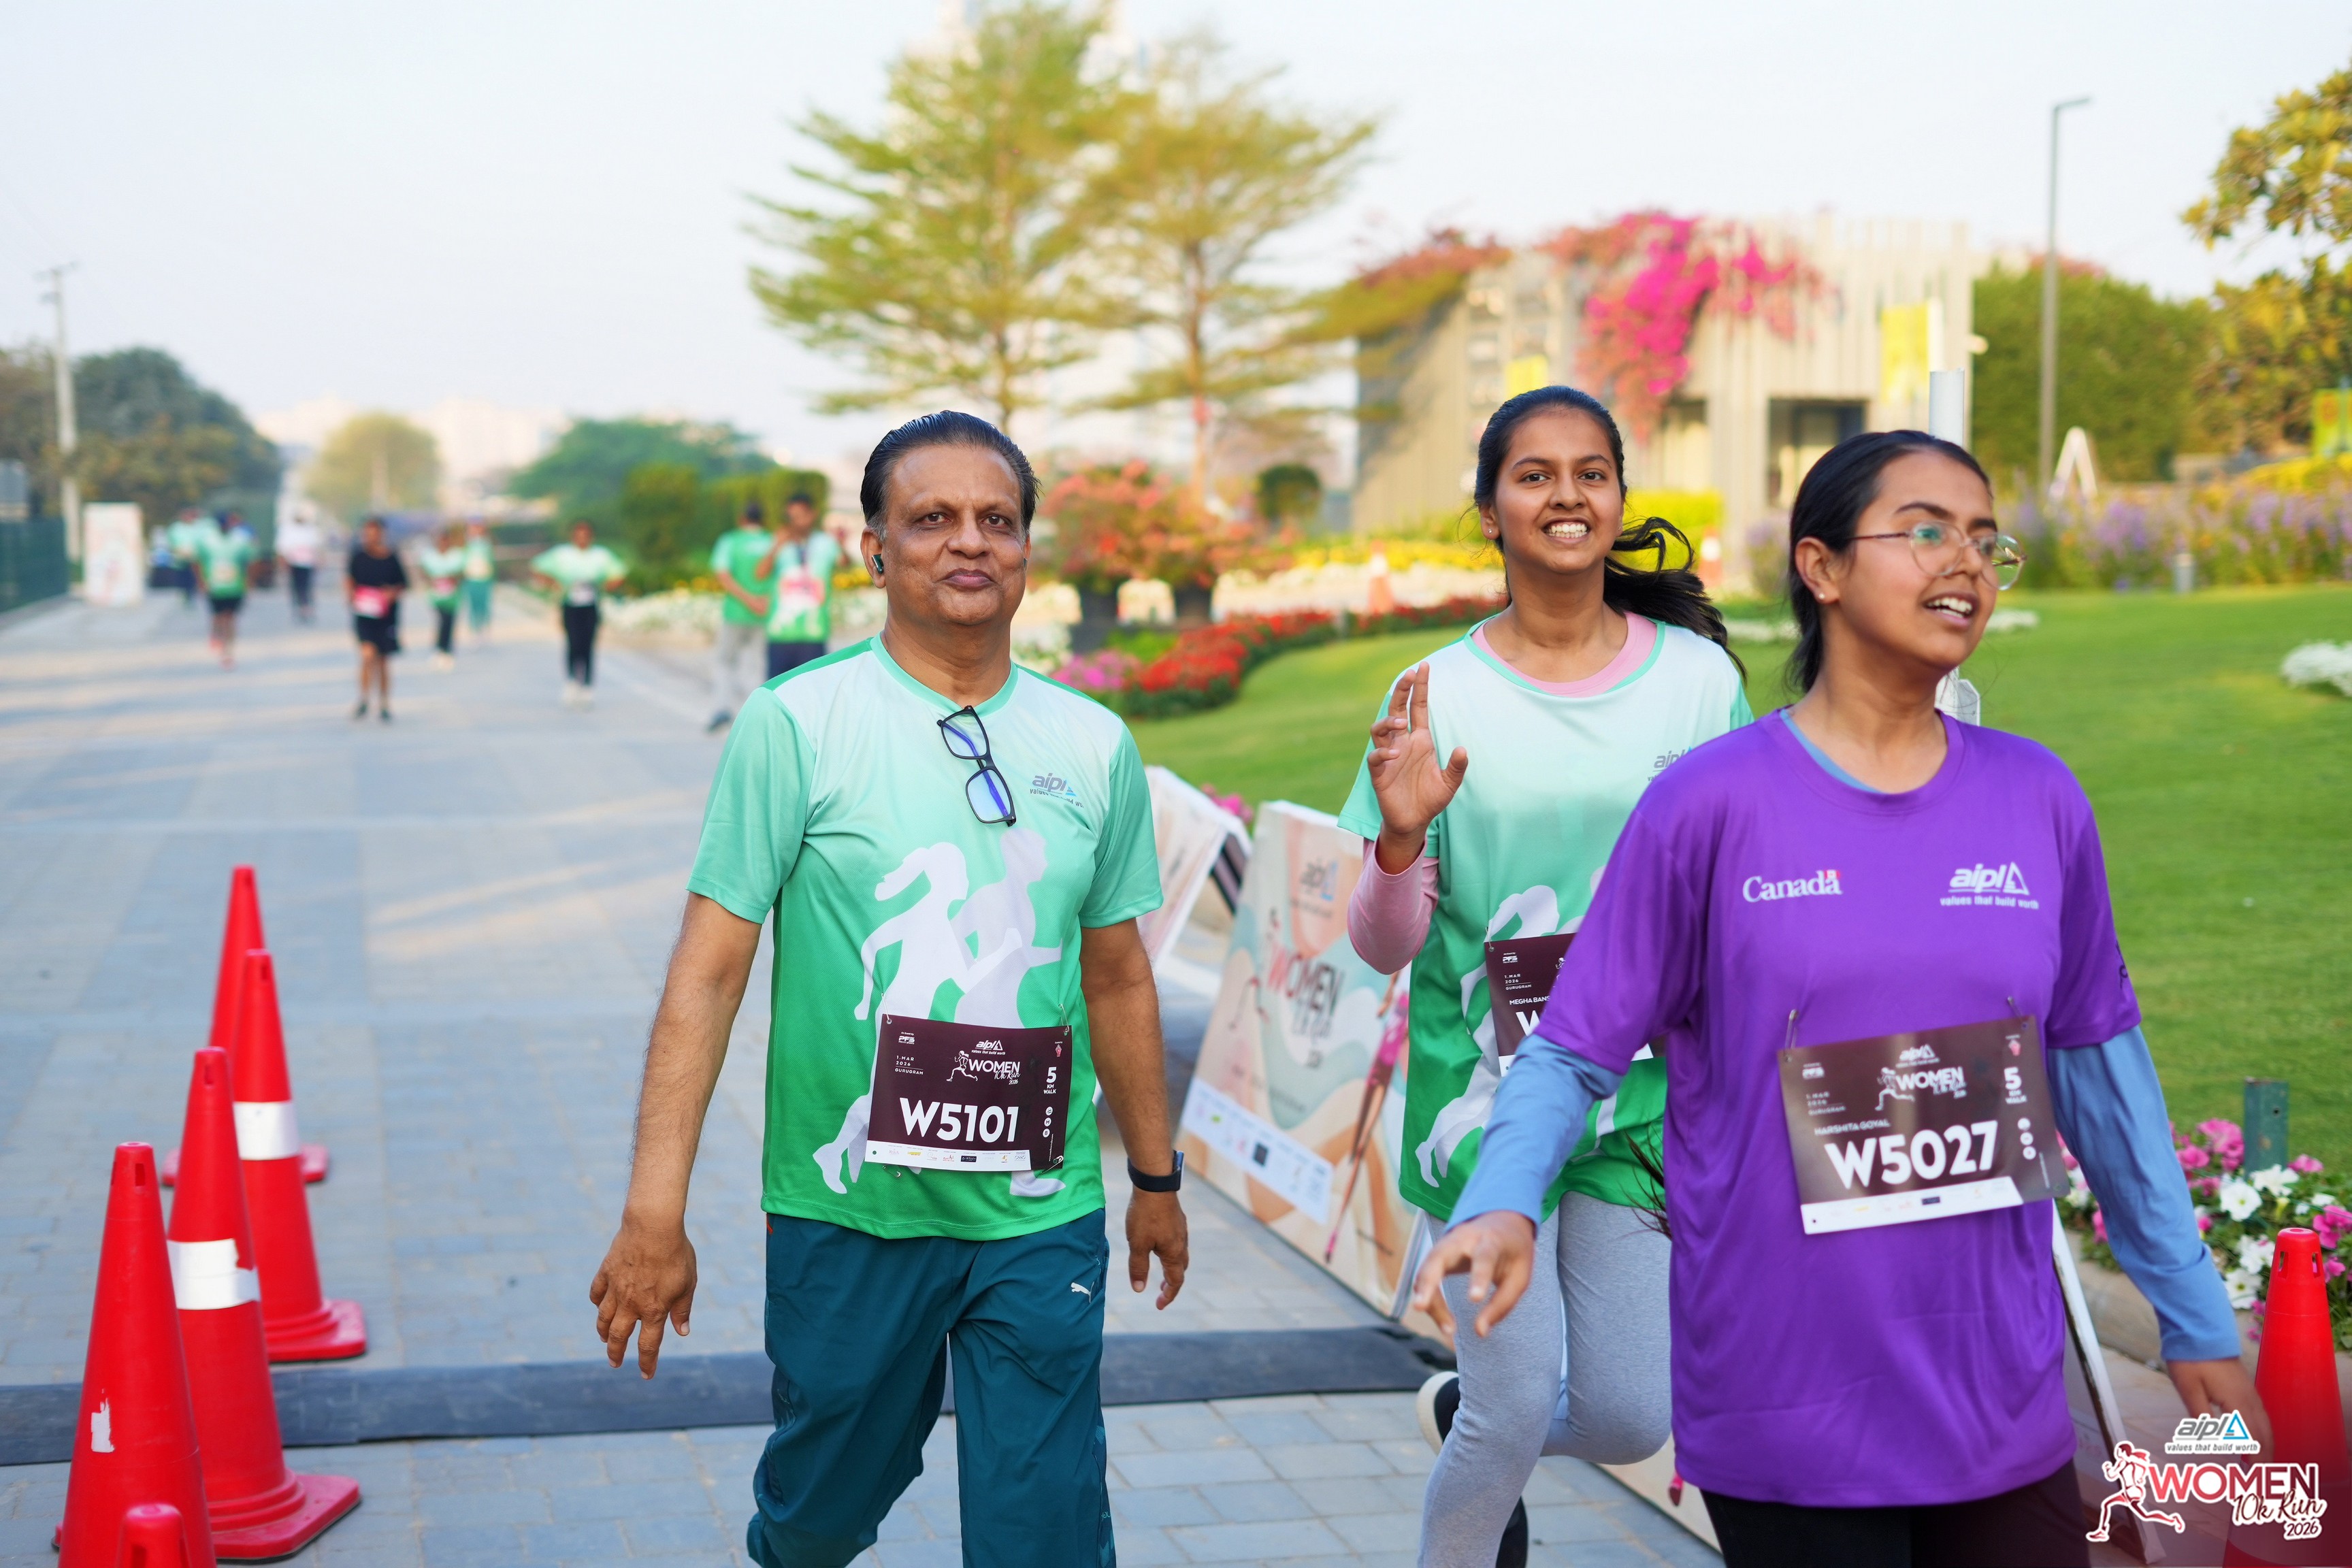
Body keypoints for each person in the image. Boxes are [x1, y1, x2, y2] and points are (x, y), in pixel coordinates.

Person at [1416, 429, 2263, 1568]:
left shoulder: (2039, 798)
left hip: (2000, 1400)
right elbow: (1572, 1046)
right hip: (1786, 1403)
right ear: (1819, 566)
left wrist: (2192, 1311)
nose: (1964, 562)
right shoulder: (1708, 806)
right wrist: (1505, 1198)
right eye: (1925, 531)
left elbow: (2099, 1064)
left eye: (1985, 540)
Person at [588, 410, 1188, 1568]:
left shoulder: (1093, 742)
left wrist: (1153, 1177)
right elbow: (708, 975)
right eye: (932, 518)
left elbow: (1116, 975)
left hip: (1038, 1207)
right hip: (851, 1207)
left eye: (997, 520)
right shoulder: (797, 725)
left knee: (1047, 1529)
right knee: (820, 1510)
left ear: (1026, 548)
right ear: (874, 550)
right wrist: (654, 1213)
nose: (969, 541)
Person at [1343, 387, 1750, 1568]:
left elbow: (1738, 897)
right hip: (1481, 1106)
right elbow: (1382, 945)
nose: (1566, 495)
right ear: (1489, 511)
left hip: (1637, 1104)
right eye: (1534, 475)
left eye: (1590, 472)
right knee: (1512, 1408)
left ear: (1618, 497)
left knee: (1631, 1415)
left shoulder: (1697, 683)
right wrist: (1401, 838)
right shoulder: (1433, 694)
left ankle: (1455, 1413)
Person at [532, 519, 625, 708]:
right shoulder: (562, 554)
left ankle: (587, 686)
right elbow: (538, 567)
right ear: (573, 537)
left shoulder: (600, 555)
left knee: (588, 645)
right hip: (570, 605)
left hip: (590, 605)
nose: (582, 539)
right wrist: (553, 584)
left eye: (586, 536)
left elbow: (619, 573)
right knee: (573, 643)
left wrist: (605, 587)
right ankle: (572, 681)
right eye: (579, 535)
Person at [708, 499, 778, 730]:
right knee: (756, 664)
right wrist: (762, 601)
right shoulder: (772, 541)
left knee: (725, 662)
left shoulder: (730, 540)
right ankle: (752, 714)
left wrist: (747, 600)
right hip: (764, 612)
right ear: (763, 520)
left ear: (742, 519)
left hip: (736, 612)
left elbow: (724, 575)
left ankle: (722, 709)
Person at [761, 491, 840, 679]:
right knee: (777, 689)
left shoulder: (825, 542)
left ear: (812, 514)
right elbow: (761, 573)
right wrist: (776, 546)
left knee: (813, 689)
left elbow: (845, 563)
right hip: (780, 633)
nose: (797, 521)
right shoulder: (779, 541)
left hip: (814, 632)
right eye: (792, 517)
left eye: (801, 515)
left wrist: (840, 540)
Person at [347, 516, 408, 722]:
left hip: (386, 616)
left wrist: (391, 593)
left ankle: (384, 702)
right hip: (364, 614)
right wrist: (351, 597)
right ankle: (364, 698)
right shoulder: (358, 557)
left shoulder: (392, 558)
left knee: (383, 661)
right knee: (367, 655)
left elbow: (403, 584)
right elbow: (350, 580)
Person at [195, 511, 255, 668]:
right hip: (215, 587)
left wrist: (248, 583)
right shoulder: (208, 541)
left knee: (230, 618)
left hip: (234, 587)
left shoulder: (240, 540)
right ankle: (217, 637)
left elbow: (249, 562)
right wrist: (202, 582)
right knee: (218, 617)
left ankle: (228, 651)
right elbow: (199, 561)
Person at [417, 522, 465, 670]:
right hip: (437, 596)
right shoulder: (430, 556)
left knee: (449, 623)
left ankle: (447, 650)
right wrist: (432, 580)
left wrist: (453, 579)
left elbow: (462, 573)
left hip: (452, 596)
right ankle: (440, 649)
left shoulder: (456, 555)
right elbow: (423, 572)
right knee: (442, 622)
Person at [277, 510, 323, 623]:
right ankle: (298, 607)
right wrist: (283, 562)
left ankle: (306, 607)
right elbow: (283, 547)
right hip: (294, 562)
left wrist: (318, 561)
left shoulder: (310, 530)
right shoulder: (289, 530)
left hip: (307, 563)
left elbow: (316, 547)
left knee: (306, 586)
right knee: (296, 587)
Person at [461, 518, 496, 642]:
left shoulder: (486, 544)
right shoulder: (467, 544)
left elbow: (491, 562)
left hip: (484, 578)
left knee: (484, 605)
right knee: (473, 605)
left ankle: (485, 628)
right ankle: (474, 629)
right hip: (472, 579)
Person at [165, 507, 205, 608]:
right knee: (182, 579)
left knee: (193, 578)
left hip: (195, 559)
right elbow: (172, 542)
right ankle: (185, 595)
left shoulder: (198, 527)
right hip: (181, 559)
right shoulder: (176, 528)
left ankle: (192, 595)